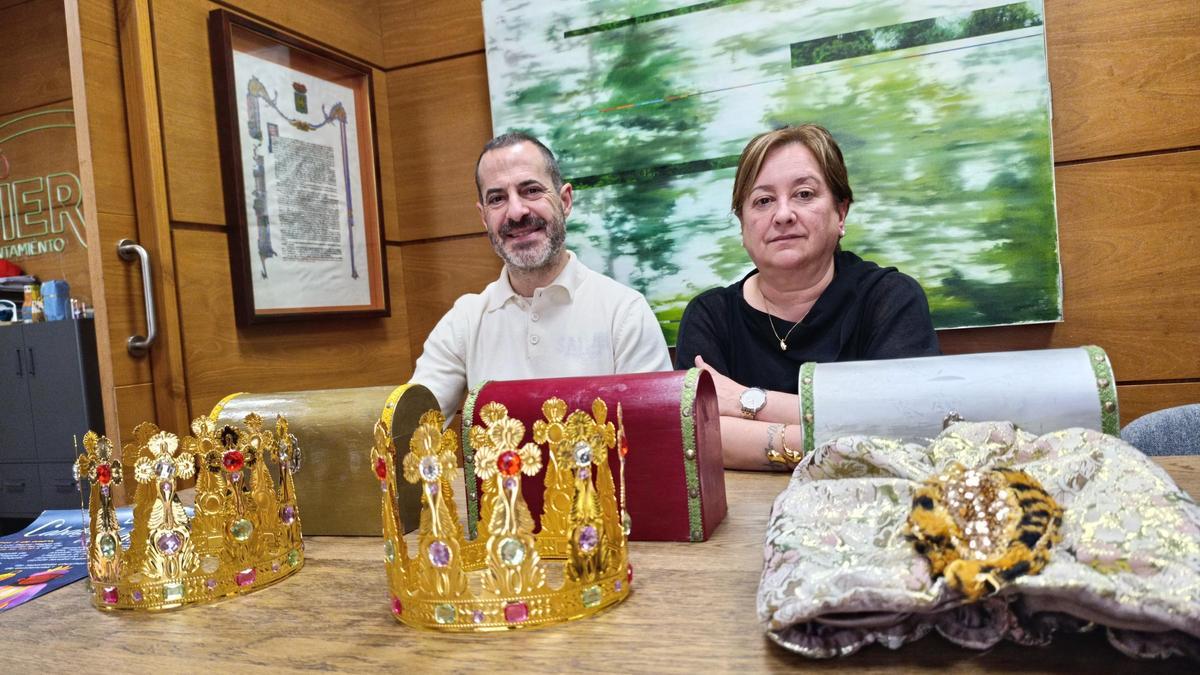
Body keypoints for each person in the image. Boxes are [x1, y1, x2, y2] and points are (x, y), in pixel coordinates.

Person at [674, 124, 940, 470]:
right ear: (743, 226)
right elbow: (700, 437)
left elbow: (905, 430)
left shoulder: (889, 300)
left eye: (803, 194)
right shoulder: (709, 316)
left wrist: (745, 402)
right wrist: (841, 435)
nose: (783, 215)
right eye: (763, 201)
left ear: (840, 213)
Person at [412, 132, 672, 420]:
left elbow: (655, 439)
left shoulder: (624, 314)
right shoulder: (465, 320)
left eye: (531, 190)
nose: (516, 211)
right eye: (497, 198)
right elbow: (412, 426)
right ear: (484, 217)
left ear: (565, 201)